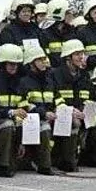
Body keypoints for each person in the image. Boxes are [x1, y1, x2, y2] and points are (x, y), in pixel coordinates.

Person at [0, 44, 29, 176]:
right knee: (8, 124)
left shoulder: (20, 84)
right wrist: (11, 112)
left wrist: (22, 142)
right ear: (3, 63)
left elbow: (23, 111)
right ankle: (2, 165)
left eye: (16, 64)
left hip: (14, 125)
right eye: (11, 63)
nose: (14, 66)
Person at [48, 39, 89, 172]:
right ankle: (66, 160)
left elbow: (87, 97)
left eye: (82, 54)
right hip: (58, 112)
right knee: (73, 122)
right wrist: (69, 110)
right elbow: (52, 96)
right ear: (68, 57)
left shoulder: (84, 75)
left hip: (78, 113)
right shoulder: (55, 74)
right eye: (77, 54)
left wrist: (84, 110)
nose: (81, 57)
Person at [18, 46, 57, 174]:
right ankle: (44, 165)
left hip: (51, 117)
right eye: (40, 60)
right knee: (44, 128)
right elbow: (24, 105)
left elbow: (58, 99)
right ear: (31, 63)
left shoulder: (49, 81)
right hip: (31, 119)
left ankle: (65, 160)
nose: (44, 62)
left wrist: (62, 110)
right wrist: (44, 113)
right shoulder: (24, 82)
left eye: (44, 59)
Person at [39, 0, 72, 66]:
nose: (71, 15)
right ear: (59, 15)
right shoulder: (44, 34)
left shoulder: (72, 31)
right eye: (67, 13)